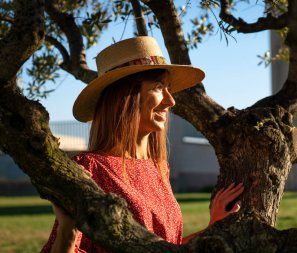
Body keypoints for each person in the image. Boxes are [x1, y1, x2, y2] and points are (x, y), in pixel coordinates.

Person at [41, 36, 244, 253]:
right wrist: (68, 230)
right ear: (126, 96)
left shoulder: (158, 167)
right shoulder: (90, 168)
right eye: (158, 87)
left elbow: (164, 248)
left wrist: (213, 226)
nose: (171, 101)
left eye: (168, 88)